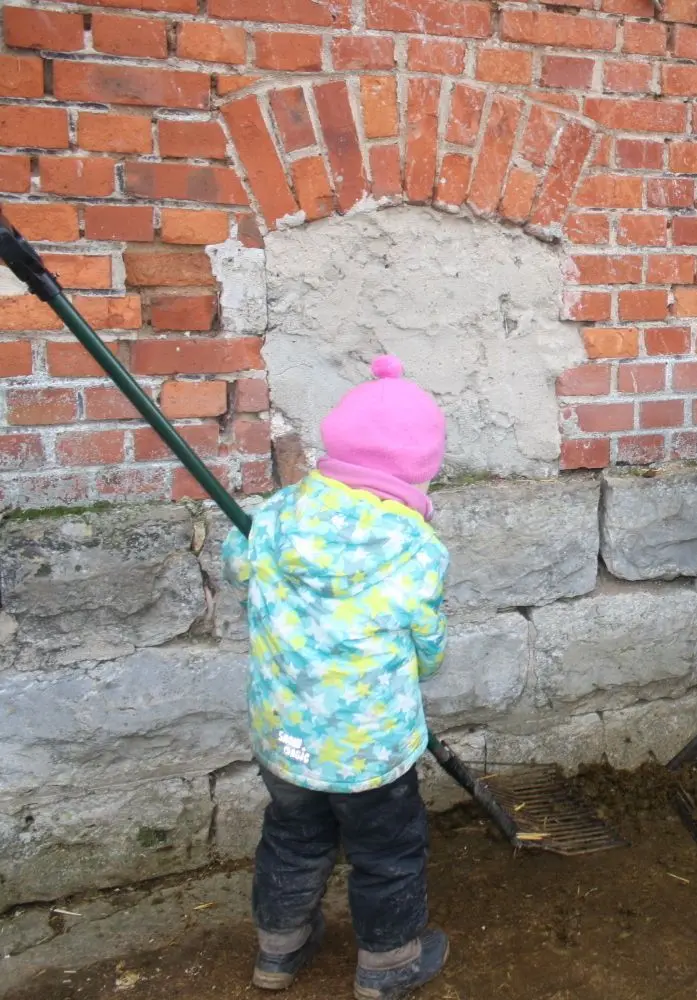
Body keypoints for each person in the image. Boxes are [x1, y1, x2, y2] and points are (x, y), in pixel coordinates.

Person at [223, 356, 452, 999]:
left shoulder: (272, 516)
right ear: (419, 468)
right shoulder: (415, 547)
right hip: (370, 749)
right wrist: (423, 666)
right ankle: (387, 963)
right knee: (387, 851)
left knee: (293, 836)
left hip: (285, 733)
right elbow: (427, 644)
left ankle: (279, 950)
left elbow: (238, 570)